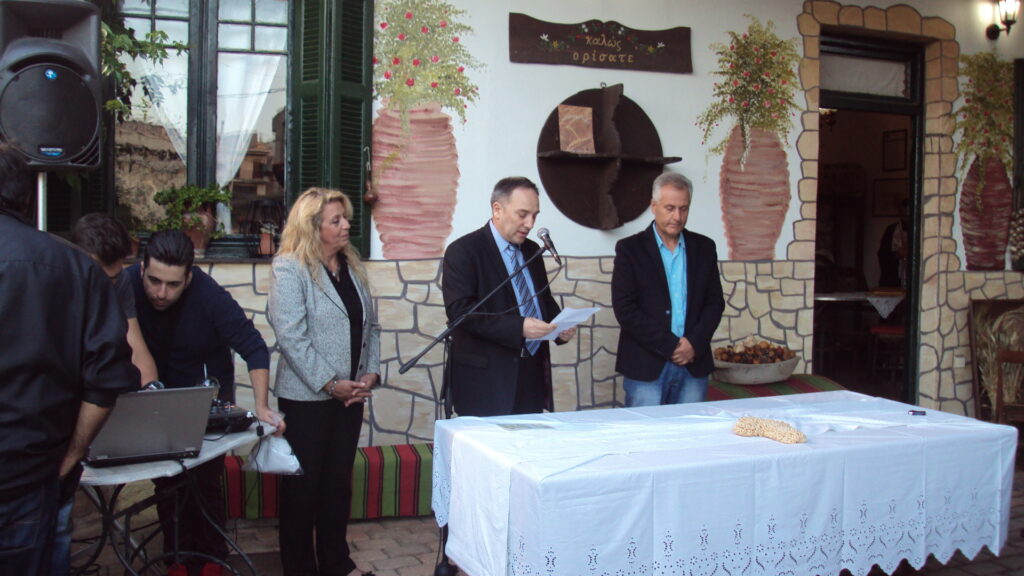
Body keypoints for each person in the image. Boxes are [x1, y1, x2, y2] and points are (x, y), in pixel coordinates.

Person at [0, 143, 138, 576]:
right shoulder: (74, 268)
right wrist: (71, 454)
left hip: (27, 476)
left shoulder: (78, 268)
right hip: (28, 476)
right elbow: (106, 379)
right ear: (27, 198)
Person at [128, 230, 272, 576]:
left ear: (189, 278)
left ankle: (211, 561)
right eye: (154, 281)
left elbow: (254, 348)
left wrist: (262, 406)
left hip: (206, 401)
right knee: (167, 485)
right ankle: (176, 561)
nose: (161, 293)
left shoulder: (209, 296)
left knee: (204, 483)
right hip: (156, 399)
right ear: (142, 267)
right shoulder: (126, 284)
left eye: (173, 285)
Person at [267, 187, 380, 576]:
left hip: (351, 396)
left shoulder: (351, 266)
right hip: (307, 399)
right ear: (312, 227)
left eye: (345, 218)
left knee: (337, 485)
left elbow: (371, 326)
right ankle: (299, 568)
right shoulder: (290, 267)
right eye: (336, 220)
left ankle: (336, 563)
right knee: (303, 489)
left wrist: (370, 372)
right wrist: (331, 383)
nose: (346, 225)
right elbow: (291, 337)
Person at [441, 176, 575, 417]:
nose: (530, 224)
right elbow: (461, 312)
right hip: (486, 381)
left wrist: (558, 326)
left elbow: (541, 300)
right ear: (497, 210)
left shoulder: (532, 250)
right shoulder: (464, 251)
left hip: (530, 375)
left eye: (534, 215)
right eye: (522, 214)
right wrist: (519, 327)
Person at [612, 171, 725, 406]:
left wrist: (693, 343)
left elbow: (714, 302)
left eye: (684, 209)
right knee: (646, 429)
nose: (677, 216)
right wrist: (671, 346)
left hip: (693, 363)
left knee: (691, 429)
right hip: (646, 365)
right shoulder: (630, 249)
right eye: (670, 208)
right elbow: (625, 309)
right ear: (653, 206)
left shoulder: (704, 247)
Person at [878, 199, 909, 288]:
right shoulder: (891, 230)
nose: (905, 216)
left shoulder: (921, 231)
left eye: (907, 213)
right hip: (893, 278)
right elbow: (882, 254)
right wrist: (897, 254)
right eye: (902, 213)